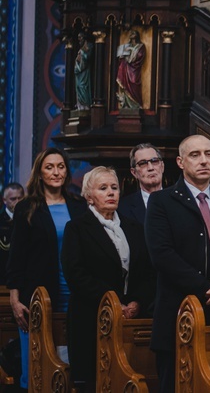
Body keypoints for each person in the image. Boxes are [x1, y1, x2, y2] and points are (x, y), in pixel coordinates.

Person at [145, 135, 210, 393]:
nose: (203, 160)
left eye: (209, 154)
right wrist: (208, 289)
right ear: (180, 162)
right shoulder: (162, 201)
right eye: (195, 155)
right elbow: (162, 255)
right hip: (178, 312)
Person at [61, 167, 155, 391]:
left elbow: (146, 272)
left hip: (131, 318)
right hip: (90, 317)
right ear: (89, 196)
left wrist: (136, 302)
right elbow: (75, 274)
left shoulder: (134, 228)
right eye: (103, 188)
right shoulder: (76, 228)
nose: (111, 193)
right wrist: (113, 302)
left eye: (114, 188)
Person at [6, 148, 86, 390]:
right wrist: (15, 298)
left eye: (60, 166)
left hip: (74, 293)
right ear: (40, 173)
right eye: (49, 167)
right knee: (36, 366)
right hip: (38, 296)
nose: (56, 172)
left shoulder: (79, 205)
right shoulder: (27, 207)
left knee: (71, 363)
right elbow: (16, 256)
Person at [118, 143, 165, 225]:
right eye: (143, 163)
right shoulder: (122, 208)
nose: (151, 168)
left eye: (154, 161)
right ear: (134, 172)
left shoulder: (179, 202)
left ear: (162, 166)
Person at [0, 183, 24, 284]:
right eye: (13, 199)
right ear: (4, 200)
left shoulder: (31, 219)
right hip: (3, 277)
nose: (17, 202)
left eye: (20, 198)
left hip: (24, 277)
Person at [116, 30, 146, 109]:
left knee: (134, 83)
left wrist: (130, 57)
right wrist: (122, 57)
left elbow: (140, 55)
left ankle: (136, 104)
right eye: (131, 33)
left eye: (134, 33)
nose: (132, 34)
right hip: (125, 68)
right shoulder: (126, 46)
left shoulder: (141, 46)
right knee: (125, 86)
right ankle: (126, 104)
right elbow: (121, 57)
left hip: (134, 69)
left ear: (137, 35)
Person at [74, 32, 92, 110]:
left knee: (83, 86)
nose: (79, 39)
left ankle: (85, 104)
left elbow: (88, 57)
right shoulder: (81, 49)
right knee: (79, 86)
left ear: (84, 38)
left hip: (84, 72)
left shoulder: (89, 46)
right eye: (78, 37)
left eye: (80, 37)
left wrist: (82, 53)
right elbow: (78, 59)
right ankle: (80, 104)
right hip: (79, 72)